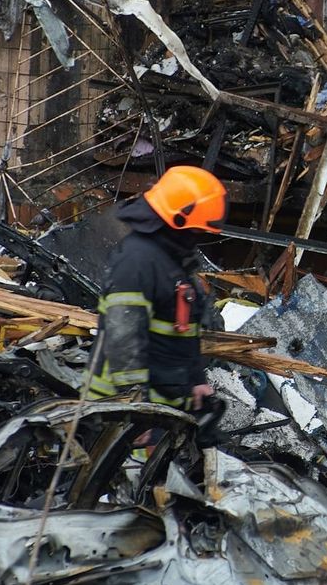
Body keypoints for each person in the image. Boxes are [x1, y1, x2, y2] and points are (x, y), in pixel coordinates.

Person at [85, 165, 226, 411]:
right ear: (178, 218)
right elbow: (123, 336)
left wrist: (196, 381)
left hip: (161, 405)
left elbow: (181, 335)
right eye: (197, 230)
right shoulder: (138, 261)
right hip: (115, 410)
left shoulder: (171, 262)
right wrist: (135, 406)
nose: (198, 236)